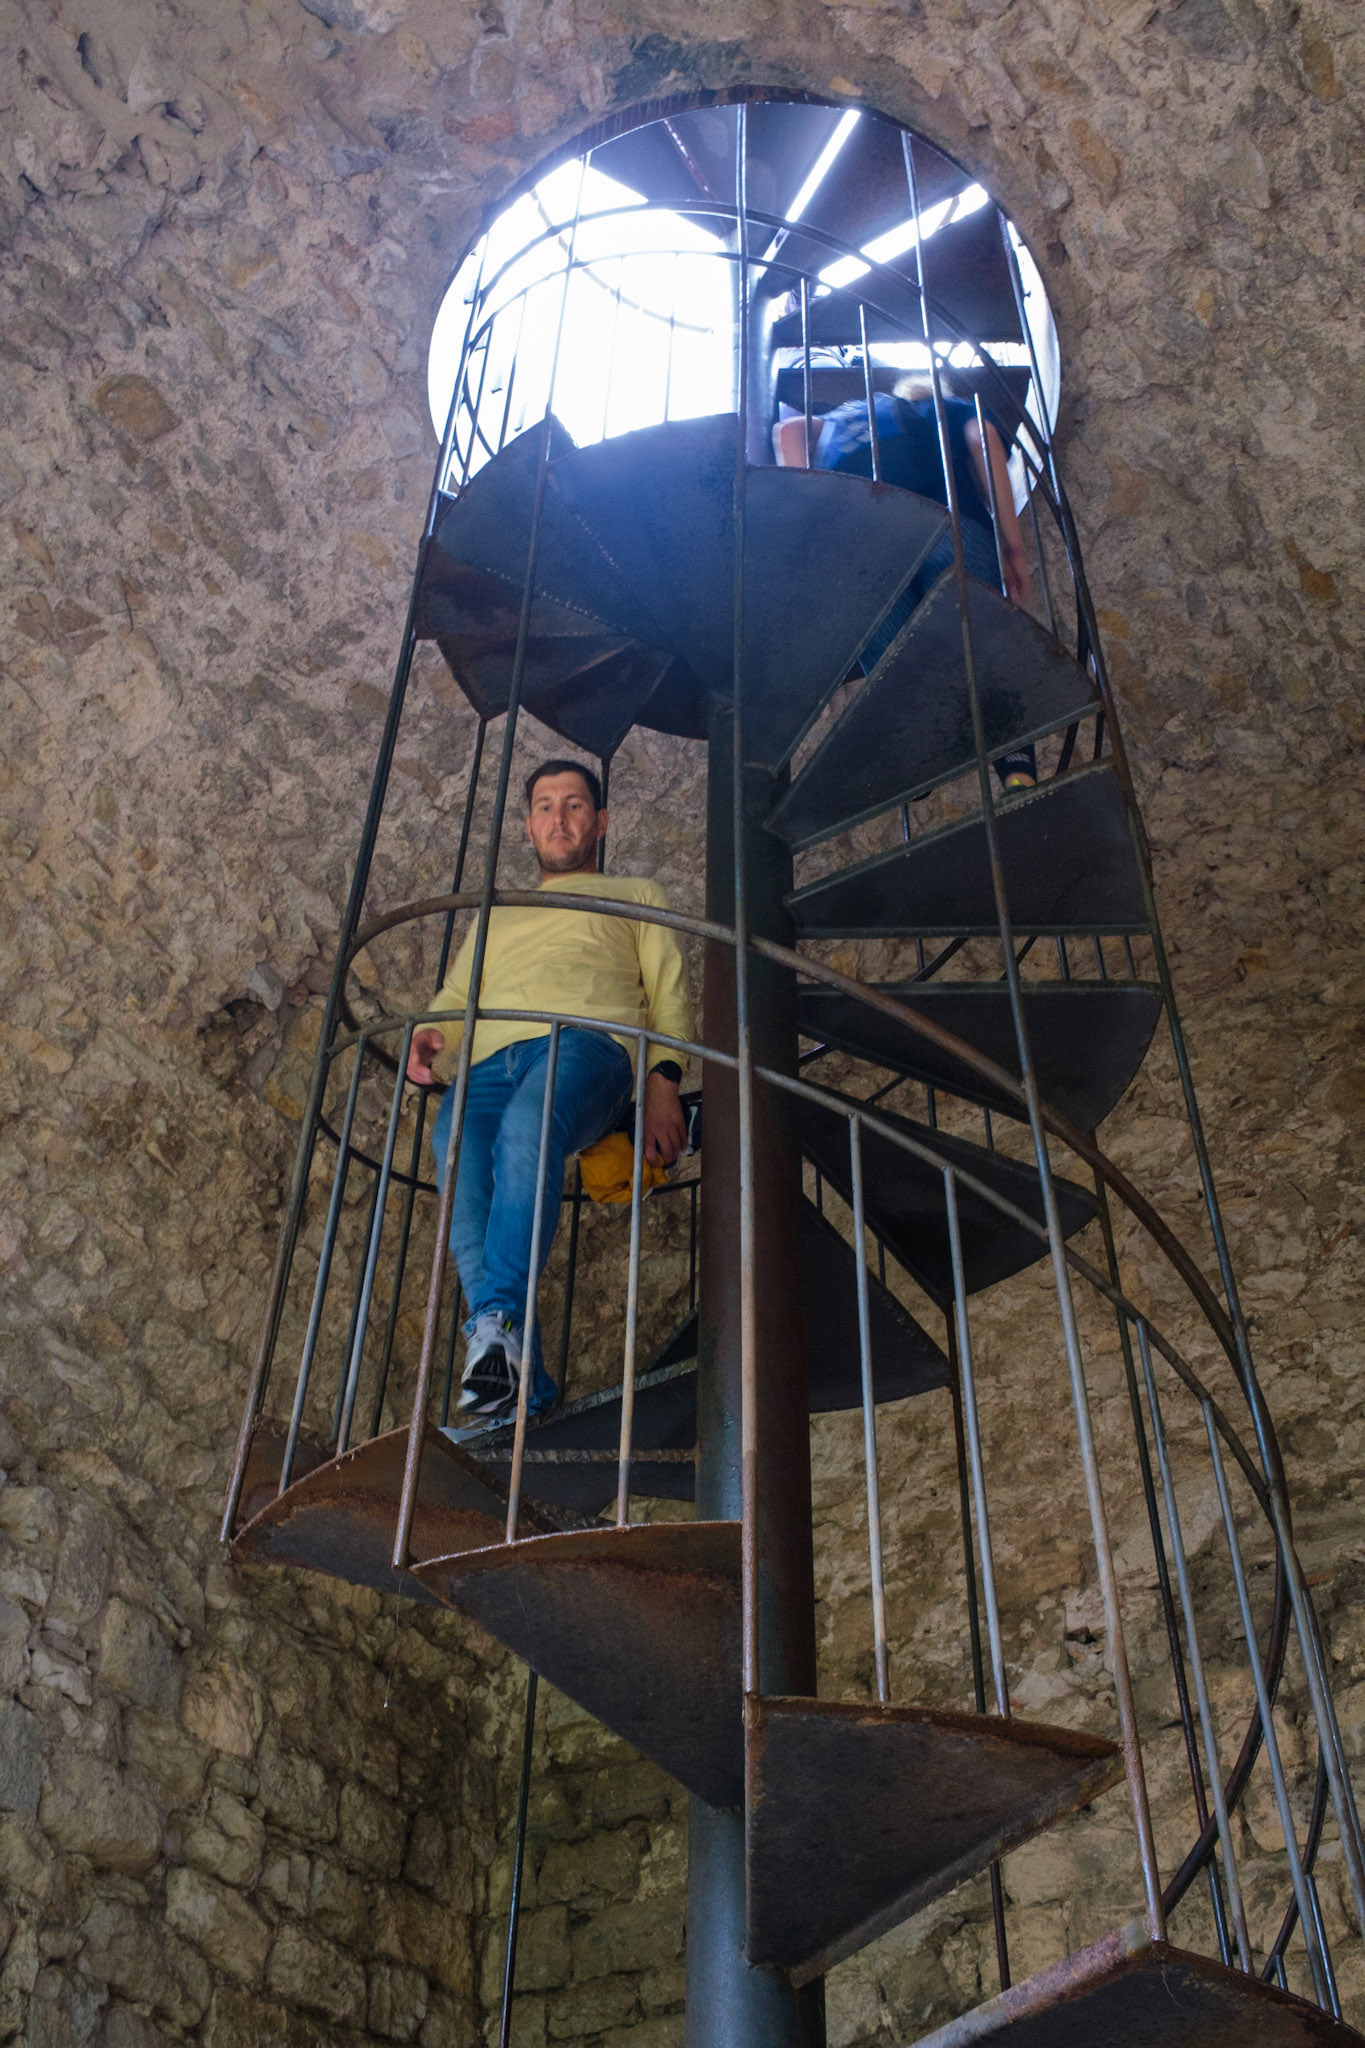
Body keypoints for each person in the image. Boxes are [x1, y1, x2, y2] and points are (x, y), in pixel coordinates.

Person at [405, 760, 692, 1423]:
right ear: (528, 825)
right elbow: (456, 997)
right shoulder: (497, 914)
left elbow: (669, 996)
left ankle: (498, 1322)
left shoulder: (633, 893)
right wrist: (430, 1035)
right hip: (487, 1062)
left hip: (586, 1044)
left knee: (527, 1130)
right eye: (543, 806)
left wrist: (663, 1082)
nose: (557, 818)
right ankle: (516, 1387)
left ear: (600, 822)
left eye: (572, 805)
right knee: (456, 1159)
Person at [776, 374, 1037, 790]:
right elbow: (983, 439)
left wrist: (813, 507)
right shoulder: (947, 408)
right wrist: (1014, 549)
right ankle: (1017, 770)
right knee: (979, 645)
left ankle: (915, 760)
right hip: (947, 527)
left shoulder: (843, 419)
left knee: (894, 667)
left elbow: (787, 430)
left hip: (863, 549)